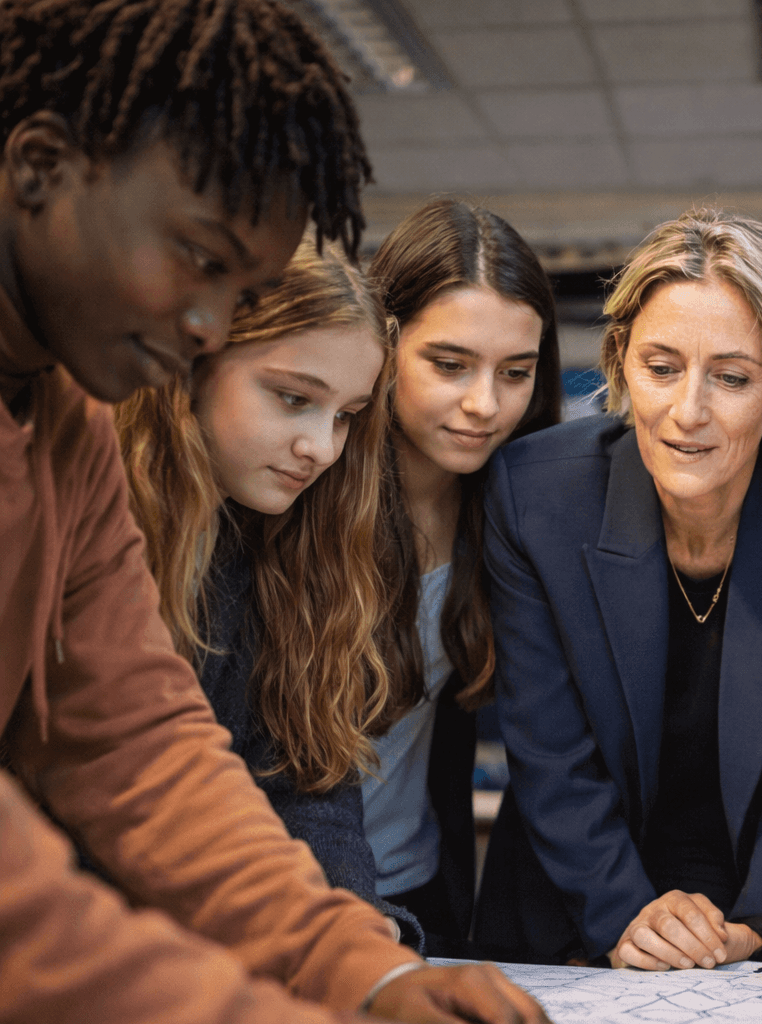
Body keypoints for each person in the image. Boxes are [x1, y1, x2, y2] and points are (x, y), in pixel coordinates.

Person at [0, 0, 545, 1020]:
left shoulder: (65, 421)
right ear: (37, 168)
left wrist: (365, 970)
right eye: (200, 258)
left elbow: (139, 746)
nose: (209, 325)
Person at [474, 208, 762, 970]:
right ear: (620, 361)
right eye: (661, 368)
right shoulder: (535, 496)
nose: (688, 412)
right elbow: (548, 748)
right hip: (571, 912)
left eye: (731, 377)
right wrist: (624, 914)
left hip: (749, 922)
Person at [114, 242, 423, 943]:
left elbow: (305, 782)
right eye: (293, 399)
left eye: (346, 415)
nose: (322, 447)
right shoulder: (84, 526)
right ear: (192, 368)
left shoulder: (283, 546)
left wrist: (356, 930)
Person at [366, 198, 563, 954]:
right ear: (382, 347)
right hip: (284, 890)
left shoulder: (509, 513)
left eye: (514, 373)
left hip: (417, 892)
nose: (484, 405)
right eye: (449, 366)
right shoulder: (301, 505)